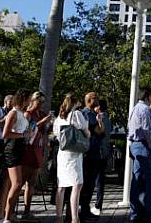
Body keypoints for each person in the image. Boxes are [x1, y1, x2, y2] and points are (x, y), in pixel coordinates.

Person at [54, 93, 90, 223]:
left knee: (61, 185)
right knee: (77, 184)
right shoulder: (77, 114)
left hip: (62, 152)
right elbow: (86, 132)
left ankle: (59, 217)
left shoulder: (59, 117)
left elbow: (57, 134)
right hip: (74, 153)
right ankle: (75, 218)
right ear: (75, 102)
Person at [128, 86, 151, 223]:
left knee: (137, 181)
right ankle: (149, 214)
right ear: (148, 96)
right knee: (150, 182)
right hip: (143, 146)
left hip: (135, 145)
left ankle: (136, 213)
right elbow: (149, 132)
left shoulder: (135, 108)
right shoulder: (145, 110)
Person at [21, 92, 52, 221]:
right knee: (21, 181)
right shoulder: (27, 113)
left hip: (39, 147)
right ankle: (10, 211)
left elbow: (46, 131)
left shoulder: (43, 114)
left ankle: (27, 212)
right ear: (33, 100)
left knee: (32, 182)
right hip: (28, 149)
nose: (41, 104)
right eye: (39, 101)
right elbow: (28, 130)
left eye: (42, 101)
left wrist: (49, 125)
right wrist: (42, 122)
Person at [0, 89, 30, 223]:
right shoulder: (13, 113)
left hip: (20, 147)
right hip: (12, 148)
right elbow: (5, 134)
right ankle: (6, 216)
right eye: (29, 99)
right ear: (24, 99)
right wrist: (23, 135)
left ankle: (9, 213)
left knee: (17, 183)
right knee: (16, 183)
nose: (30, 102)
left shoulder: (21, 113)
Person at [79, 92, 105, 222]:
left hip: (94, 152)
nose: (98, 99)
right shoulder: (85, 114)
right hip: (87, 153)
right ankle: (82, 211)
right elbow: (98, 131)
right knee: (86, 183)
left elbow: (102, 132)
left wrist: (100, 121)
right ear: (89, 100)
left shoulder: (94, 114)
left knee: (90, 184)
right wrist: (99, 123)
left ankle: (86, 210)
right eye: (95, 97)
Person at [92, 99, 112, 216]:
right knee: (100, 181)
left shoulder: (98, 119)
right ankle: (98, 204)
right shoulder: (108, 119)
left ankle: (96, 205)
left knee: (95, 180)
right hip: (104, 152)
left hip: (97, 152)